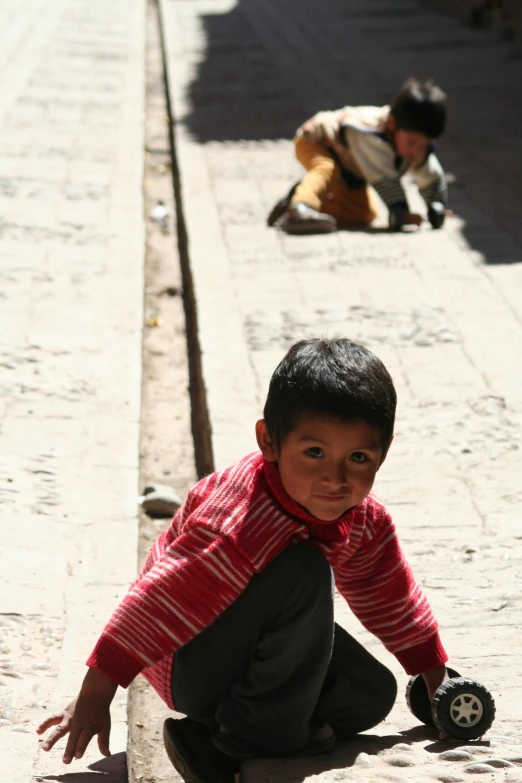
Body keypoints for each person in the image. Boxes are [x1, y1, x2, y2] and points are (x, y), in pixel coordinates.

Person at [37, 338, 449, 783]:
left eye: (358, 458)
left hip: (248, 641)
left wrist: (435, 678)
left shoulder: (364, 517)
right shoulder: (237, 522)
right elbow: (159, 599)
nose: (335, 478)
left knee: (371, 694)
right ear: (269, 441)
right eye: (314, 453)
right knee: (304, 571)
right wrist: (97, 691)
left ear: (382, 454)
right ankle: (231, 744)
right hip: (187, 656)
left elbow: (389, 594)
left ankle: (239, 727)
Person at [268, 77, 449, 234]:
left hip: (350, 167)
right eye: (411, 143)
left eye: (422, 145)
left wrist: (436, 205)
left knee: (364, 213)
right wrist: (400, 212)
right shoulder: (371, 134)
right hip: (317, 140)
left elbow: (430, 174)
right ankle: (300, 208)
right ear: (392, 125)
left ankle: (295, 202)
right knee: (327, 168)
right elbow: (384, 179)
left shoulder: (413, 146)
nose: (415, 151)